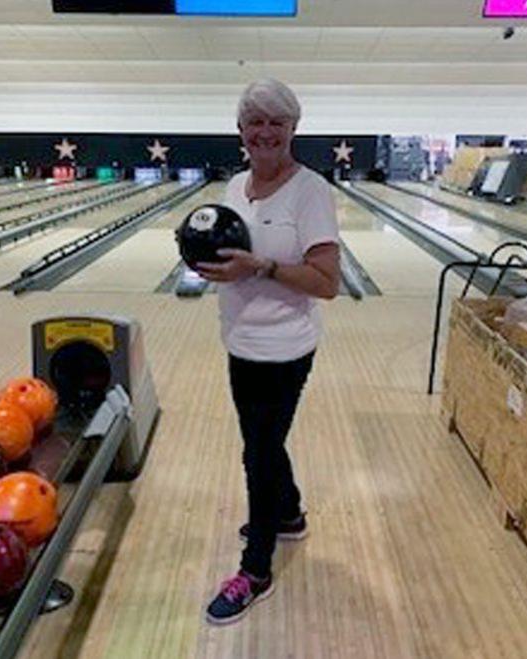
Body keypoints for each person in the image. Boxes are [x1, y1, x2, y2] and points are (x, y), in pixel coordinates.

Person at [194, 78, 341, 625]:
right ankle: (289, 514)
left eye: (276, 121)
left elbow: (327, 282)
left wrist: (263, 266)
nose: (265, 131)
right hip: (240, 341)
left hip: (285, 348)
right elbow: (226, 250)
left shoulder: (311, 191)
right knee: (263, 441)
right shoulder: (235, 187)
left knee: (256, 453)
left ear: (293, 129)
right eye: (255, 121)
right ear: (240, 132)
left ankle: (255, 568)